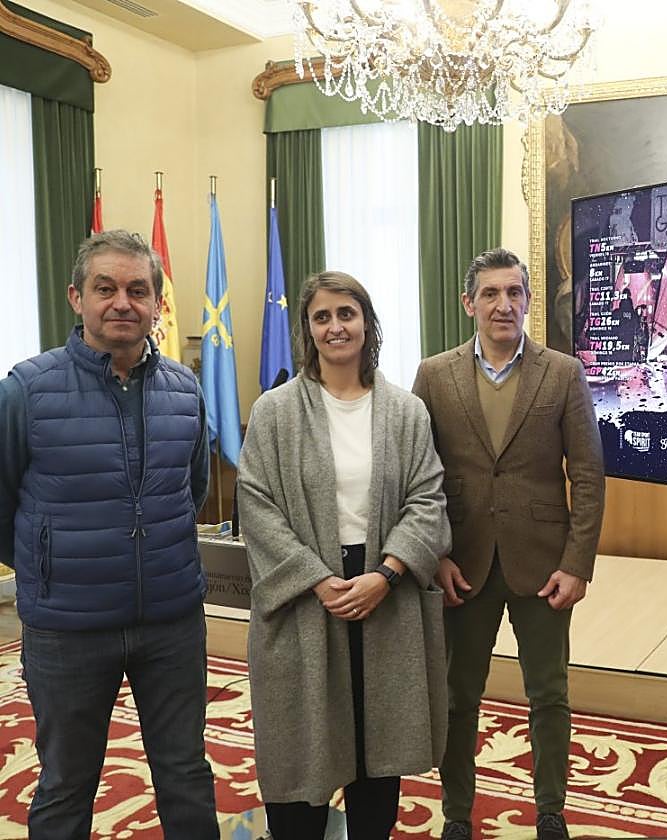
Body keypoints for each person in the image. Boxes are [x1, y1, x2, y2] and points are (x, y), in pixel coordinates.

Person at [0, 230, 218, 838]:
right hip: (68, 627)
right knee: (66, 785)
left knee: (186, 775)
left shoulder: (185, 390)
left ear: (156, 303)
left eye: (138, 290)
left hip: (171, 622)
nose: (123, 302)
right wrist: (47, 565)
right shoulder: (25, 391)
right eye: (106, 288)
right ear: (77, 298)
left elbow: (191, 491)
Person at [238, 271, 451, 840]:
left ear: (367, 323)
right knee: (300, 748)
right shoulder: (275, 411)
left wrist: (387, 574)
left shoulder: (405, 411)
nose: (336, 327)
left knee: (376, 750)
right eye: (322, 316)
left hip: (384, 591)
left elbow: (428, 500)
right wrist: (314, 578)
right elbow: (255, 505)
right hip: (306, 595)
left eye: (346, 313)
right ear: (308, 330)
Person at [411, 248, 605, 840]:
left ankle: (551, 812)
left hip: (543, 566)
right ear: (469, 304)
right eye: (490, 293)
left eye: (514, 292)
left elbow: (588, 475)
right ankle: (456, 816)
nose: (503, 304)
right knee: (457, 697)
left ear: (528, 300)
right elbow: (419, 476)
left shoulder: (563, 372)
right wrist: (435, 556)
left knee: (549, 695)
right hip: (460, 564)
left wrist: (577, 564)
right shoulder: (433, 376)